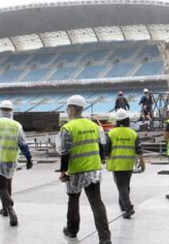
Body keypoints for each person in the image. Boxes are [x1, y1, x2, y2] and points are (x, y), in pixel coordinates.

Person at [56, 95, 111, 244]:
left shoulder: (68, 128)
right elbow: (101, 147)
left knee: (73, 200)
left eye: (68, 108)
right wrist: (100, 160)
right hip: (93, 170)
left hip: (76, 171)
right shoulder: (94, 126)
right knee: (97, 203)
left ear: (73, 108)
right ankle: (105, 238)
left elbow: (65, 152)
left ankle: (72, 230)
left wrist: (63, 172)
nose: (67, 111)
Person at [0, 101, 33, 227]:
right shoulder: (17, 125)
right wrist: (29, 159)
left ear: (0, 110)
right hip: (11, 159)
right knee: (8, 182)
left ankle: (10, 209)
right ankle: (4, 209)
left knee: (1, 187)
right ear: (11, 111)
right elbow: (23, 144)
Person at [106, 109, 145, 219]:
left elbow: (106, 149)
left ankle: (128, 208)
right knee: (125, 185)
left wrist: (103, 158)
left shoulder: (111, 133)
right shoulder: (133, 133)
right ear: (127, 120)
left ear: (117, 121)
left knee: (121, 186)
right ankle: (122, 206)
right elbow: (139, 149)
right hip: (128, 164)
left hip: (117, 164)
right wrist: (142, 163)